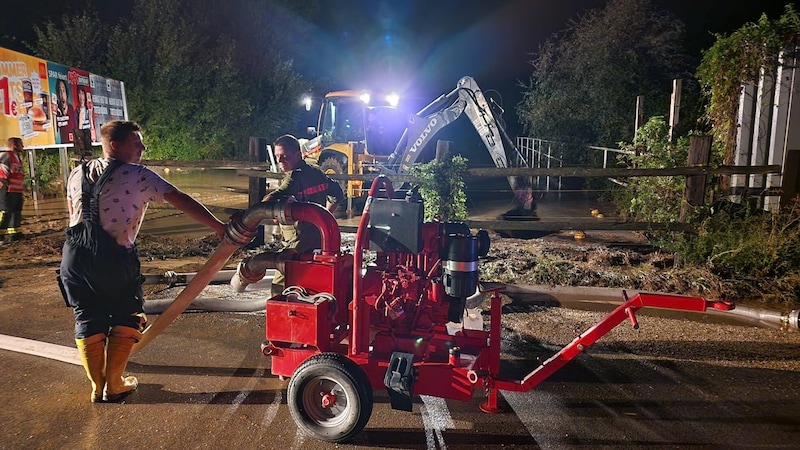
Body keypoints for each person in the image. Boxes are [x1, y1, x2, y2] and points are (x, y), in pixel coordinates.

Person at [59, 120, 227, 403]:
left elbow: (74, 212)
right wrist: (219, 226)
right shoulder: (138, 175)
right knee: (127, 315)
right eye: (136, 143)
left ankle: (96, 386)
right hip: (114, 258)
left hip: (74, 256)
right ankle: (114, 383)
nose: (143, 148)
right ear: (115, 145)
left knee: (87, 315)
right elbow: (180, 199)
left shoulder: (78, 171)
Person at [247, 134, 343, 294]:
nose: (279, 161)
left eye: (285, 156)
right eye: (277, 156)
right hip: (319, 238)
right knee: (309, 280)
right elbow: (337, 193)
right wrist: (324, 217)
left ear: (298, 155)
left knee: (279, 285)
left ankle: (280, 315)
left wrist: (265, 209)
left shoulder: (294, 177)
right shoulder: (316, 172)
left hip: (297, 242)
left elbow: (275, 196)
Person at [0, 137, 25, 243]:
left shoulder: (17, 157)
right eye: (21, 144)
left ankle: (15, 234)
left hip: (16, 190)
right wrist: (6, 186)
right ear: (14, 145)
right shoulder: (6, 156)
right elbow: (2, 173)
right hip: (7, 190)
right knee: (6, 212)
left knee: (16, 211)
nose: (23, 146)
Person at [54, 79, 77, 144]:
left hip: (74, 144)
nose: (62, 94)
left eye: (63, 90)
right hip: (64, 145)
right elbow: (54, 136)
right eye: (59, 91)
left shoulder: (71, 108)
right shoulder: (56, 110)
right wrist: (54, 115)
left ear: (66, 93)